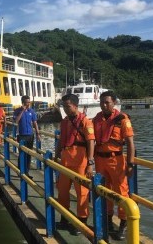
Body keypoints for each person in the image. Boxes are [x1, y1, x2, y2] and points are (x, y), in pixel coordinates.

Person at [92, 91, 135, 241]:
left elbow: (130, 143)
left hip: (116, 160)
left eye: (107, 102)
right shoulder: (96, 119)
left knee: (121, 192)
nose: (104, 105)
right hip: (100, 160)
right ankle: (108, 221)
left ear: (114, 103)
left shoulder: (122, 119)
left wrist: (130, 164)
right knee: (104, 191)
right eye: (102, 102)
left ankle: (123, 224)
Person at [55, 94, 95, 235]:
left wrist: (90, 163)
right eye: (64, 106)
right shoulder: (64, 121)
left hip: (80, 161)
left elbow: (91, 142)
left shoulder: (85, 121)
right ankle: (64, 218)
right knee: (62, 190)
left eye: (68, 106)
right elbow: (61, 140)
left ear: (75, 106)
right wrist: (56, 156)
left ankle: (81, 222)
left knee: (82, 193)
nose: (65, 109)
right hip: (66, 160)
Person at [13, 95, 40, 178]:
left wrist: (38, 134)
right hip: (21, 136)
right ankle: (20, 171)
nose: (28, 104)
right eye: (26, 102)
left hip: (30, 135)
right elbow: (16, 121)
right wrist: (22, 111)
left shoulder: (32, 111)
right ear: (23, 102)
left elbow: (35, 123)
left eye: (29, 102)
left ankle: (27, 172)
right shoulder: (17, 111)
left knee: (29, 154)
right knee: (22, 154)